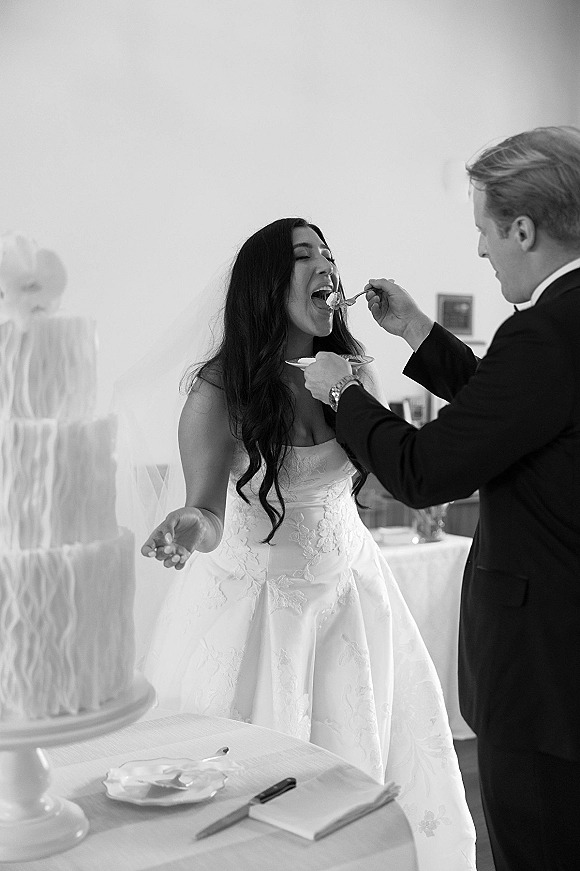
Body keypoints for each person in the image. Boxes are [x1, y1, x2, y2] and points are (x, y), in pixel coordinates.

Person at [139, 217, 476, 869]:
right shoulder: (220, 391)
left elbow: (395, 472)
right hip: (256, 611)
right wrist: (188, 524)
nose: (326, 263)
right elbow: (206, 512)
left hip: (352, 600)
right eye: (304, 254)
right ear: (267, 283)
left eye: (328, 252)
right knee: (254, 800)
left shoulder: (353, 372)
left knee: (358, 781)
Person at [303, 126, 580, 871]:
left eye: (485, 231)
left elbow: (425, 471)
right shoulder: (565, 323)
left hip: (547, 674)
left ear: (523, 230)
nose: (482, 251)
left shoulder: (546, 332)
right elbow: (519, 412)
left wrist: (343, 391)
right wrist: (419, 333)